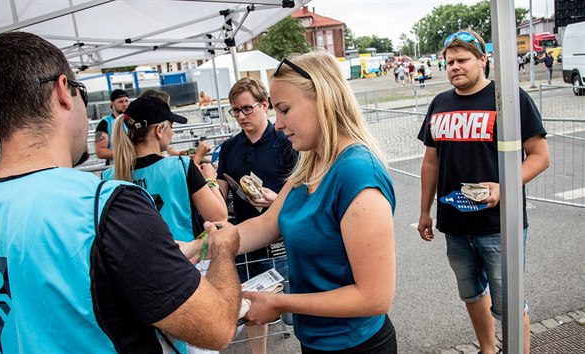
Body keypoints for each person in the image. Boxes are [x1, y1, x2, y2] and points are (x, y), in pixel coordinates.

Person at [0, 31, 242, 353]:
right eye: (81, 91)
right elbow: (215, 326)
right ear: (64, 91)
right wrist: (222, 249)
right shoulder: (102, 203)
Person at [194, 50, 397, 353]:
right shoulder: (312, 161)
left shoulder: (357, 173)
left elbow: (375, 297)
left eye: (285, 109)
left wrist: (279, 302)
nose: (277, 124)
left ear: (323, 99)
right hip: (315, 340)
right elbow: (267, 223)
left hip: (355, 344)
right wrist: (195, 249)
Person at [416, 30, 550, 354]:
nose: (454, 67)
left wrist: (504, 187)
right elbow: (430, 162)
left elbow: (540, 156)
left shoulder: (510, 98)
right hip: (455, 226)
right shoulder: (439, 103)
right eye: (449, 62)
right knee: (472, 294)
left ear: (482, 60)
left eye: (462, 60)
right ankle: (487, 349)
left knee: (509, 302)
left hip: (500, 226)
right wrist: (424, 211)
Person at [102, 95, 227, 353]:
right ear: (159, 130)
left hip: (130, 284)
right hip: (182, 275)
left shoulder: (107, 177)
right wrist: (211, 180)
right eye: (171, 126)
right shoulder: (180, 166)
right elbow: (219, 216)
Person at [216, 77, 297, 354]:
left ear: (265, 105)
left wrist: (275, 200)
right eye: (235, 110)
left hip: (279, 239)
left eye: (247, 108)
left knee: (290, 307)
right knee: (250, 302)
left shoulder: (287, 142)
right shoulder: (228, 148)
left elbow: (301, 192)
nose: (240, 116)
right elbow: (220, 194)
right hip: (245, 239)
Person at [95, 88, 129, 165]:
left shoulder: (134, 120)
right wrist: (127, 155)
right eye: (120, 102)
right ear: (112, 104)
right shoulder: (105, 123)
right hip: (115, 168)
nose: (124, 104)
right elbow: (100, 152)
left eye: (126, 101)